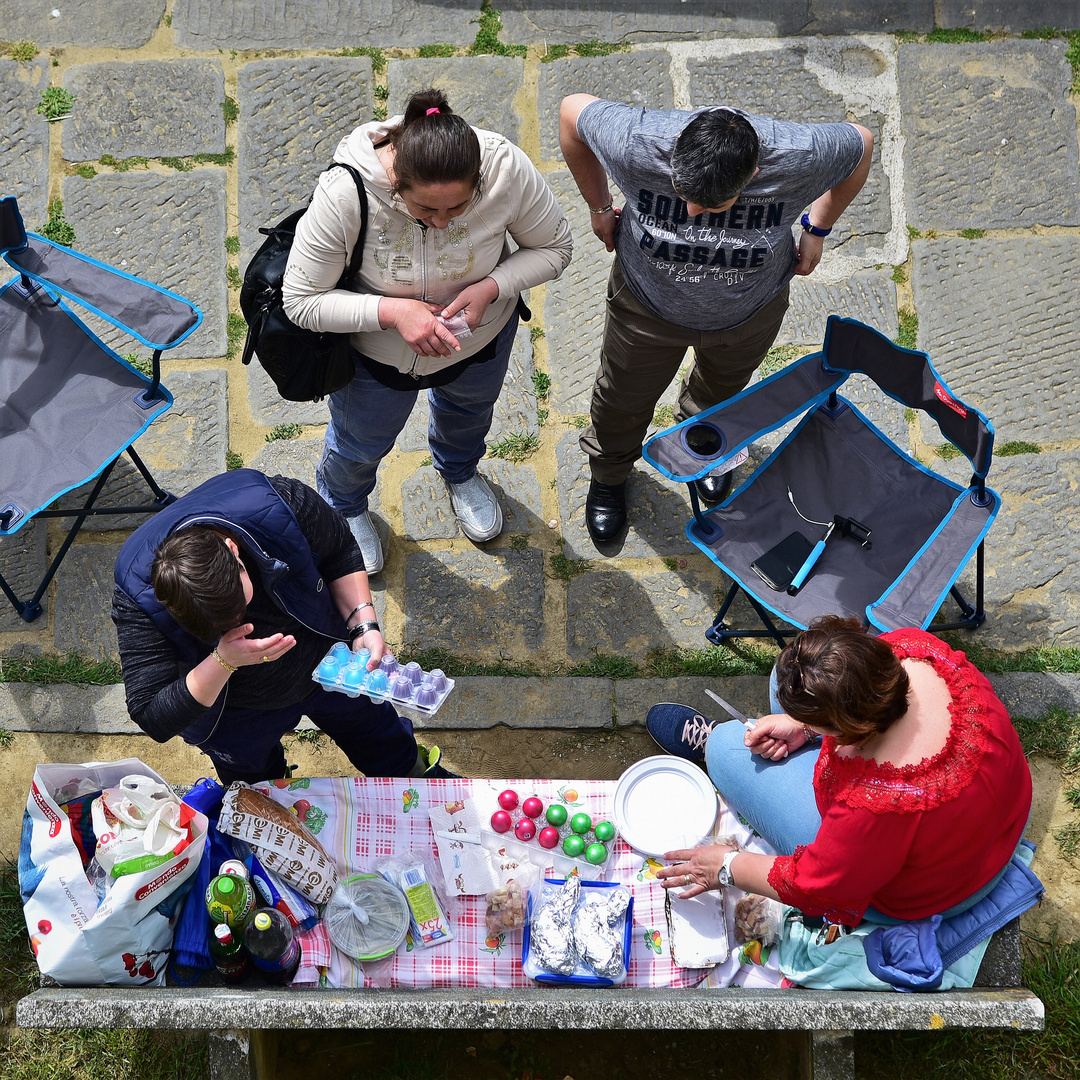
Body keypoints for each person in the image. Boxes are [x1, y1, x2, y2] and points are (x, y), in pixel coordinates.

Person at [559, 95, 873, 544]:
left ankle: (705, 445)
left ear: (754, 176)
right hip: (646, 307)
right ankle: (609, 473)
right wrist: (597, 205)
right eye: (684, 197)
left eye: (712, 207)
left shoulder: (798, 156)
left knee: (723, 390)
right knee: (620, 396)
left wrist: (818, 228)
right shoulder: (637, 142)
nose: (690, 214)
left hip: (749, 312)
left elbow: (861, 144)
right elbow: (572, 112)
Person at [283, 88, 573, 573]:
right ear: (396, 183)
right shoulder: (345, 192)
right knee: (359, 442)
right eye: (426, 211)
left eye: (458, 208)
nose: (441, 223)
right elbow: (301, 300)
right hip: (376, 358)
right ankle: (344, 505)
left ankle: (459, 472)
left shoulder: (506, 168)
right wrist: (394, 313)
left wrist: (493, 287)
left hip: (477, 340)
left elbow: (555, 247)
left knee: (470, 414)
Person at [644, 617, 1032, 927]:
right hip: (994, 817)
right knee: (786, 678)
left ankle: (714, 745)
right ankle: (798, 719)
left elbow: (815, 885)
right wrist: (807, 726)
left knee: (729, 748)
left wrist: (725, 866)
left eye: (824, 725)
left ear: (854, 728)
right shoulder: (914, 649)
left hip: (947, 888)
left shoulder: (875, 803)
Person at [111, 469, 454, 785]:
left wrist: (363, 626)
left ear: (233, 549)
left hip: (330, 663)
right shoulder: (137, 593)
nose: (243, 626)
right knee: (253, 776)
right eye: (221, 628)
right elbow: (152, 715)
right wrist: (223, 661)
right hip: (238, 712)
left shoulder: (278, 505)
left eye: (242, 609)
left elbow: (340, 549)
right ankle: (273, 794)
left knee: (376, 733)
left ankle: (412, 777)